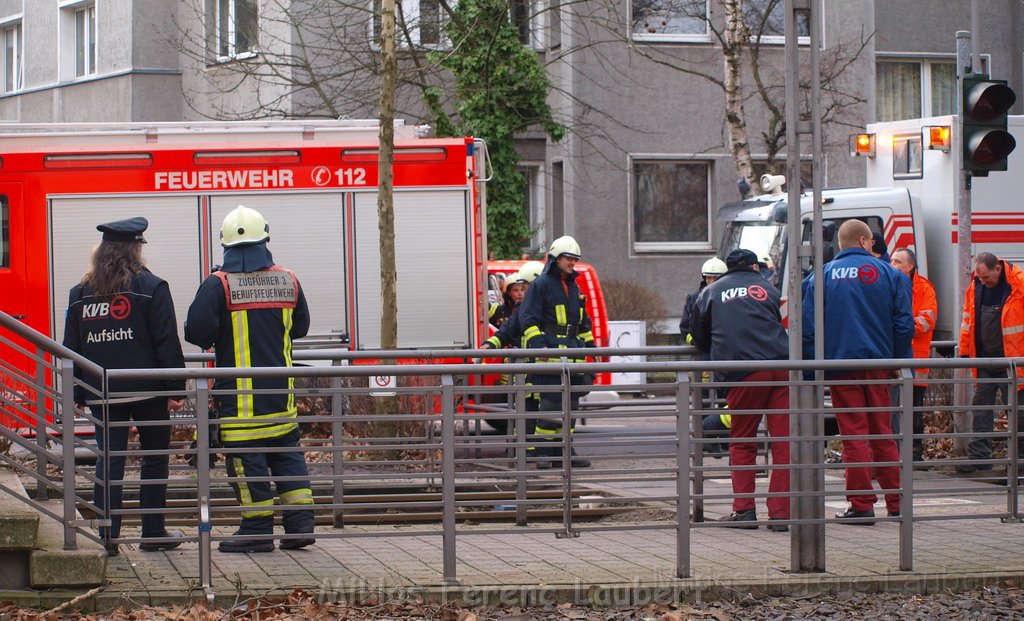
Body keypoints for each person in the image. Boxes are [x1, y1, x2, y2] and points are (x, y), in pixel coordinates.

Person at [185, 205, 315, 553]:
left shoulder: (218, 284)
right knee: (287, 456)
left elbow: (195, 331)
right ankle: (299, 526)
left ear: (225, 245)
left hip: (241, 406)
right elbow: (300, 327)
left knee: (247, 463)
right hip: (281, 399)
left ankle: (256, 529)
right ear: (266, 239)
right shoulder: (288, 279)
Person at [63, 217, 185, 557]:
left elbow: (70, 349)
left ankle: (107, 537)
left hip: (103, 392)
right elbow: (166, 343)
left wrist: (77, 393)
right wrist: (176, 389)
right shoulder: (153, 287)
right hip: (149, 391)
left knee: (110, 460)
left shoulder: (80, 294)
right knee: (155, 459)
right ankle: (153, 532)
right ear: (135, 248)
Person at [802, 219, 913, 525]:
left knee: (854, 435)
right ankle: (898, 504)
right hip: (879, 366)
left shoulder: (818, 277)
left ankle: (861, 505)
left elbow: (808, 330)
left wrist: (812, 371)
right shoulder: (892, 274)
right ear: (866, 241)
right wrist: (895, 362)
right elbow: (905, 324)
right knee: (884, 434)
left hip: (840, 367)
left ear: (841, 243)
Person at [691, 248, 790, 532]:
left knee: (743, 440)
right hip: (781, 367)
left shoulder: (711, 292)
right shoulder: (768, 288)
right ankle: (782, 514)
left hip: (743, 370)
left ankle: (744, 511)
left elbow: (699, 334)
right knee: (783, 441)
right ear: (753, 267)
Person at [518, 236, 595, 469]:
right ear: (556, 259)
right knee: (550, 405)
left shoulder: (573, 287)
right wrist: (539, 346)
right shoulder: (541, 285)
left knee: (570, 406)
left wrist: (591, 349)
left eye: (575, 260)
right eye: (569, 259)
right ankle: (543, 450)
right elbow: (527, 319)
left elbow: (583, 323)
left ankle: (564, 451)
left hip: (572, 356)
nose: (573, 263)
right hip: (549, 355)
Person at [957, 252, 1024, 474]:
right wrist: (965, 351)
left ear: (998, 268)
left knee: (1018, 412)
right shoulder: (976, 287)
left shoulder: (1019, 284)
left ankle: (1019, 461)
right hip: (986, 359)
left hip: (1013, 362)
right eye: (980, 278)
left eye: (987, 277)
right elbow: (968, 320)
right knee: (981, 408)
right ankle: (979, 458)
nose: (984, 282)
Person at [889, 247, 937, 462]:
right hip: (894, 360)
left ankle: (914, 454)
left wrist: (901, 326)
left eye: (898, 261)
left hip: (916, 361)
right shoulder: (888, 284)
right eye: (892, 260)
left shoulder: (924, 288)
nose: (893, 265)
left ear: (910, 266)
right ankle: (897, 453)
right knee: (893, 410)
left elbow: (927, 320)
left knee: (914, 410)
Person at [679, 257, 727, 344]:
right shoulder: (694, 299)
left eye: (715, 278)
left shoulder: (730, 296)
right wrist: (696, 342)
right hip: (704, 354)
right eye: (709, 277)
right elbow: (685, 328)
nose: (712, 281)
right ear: (704, 278)